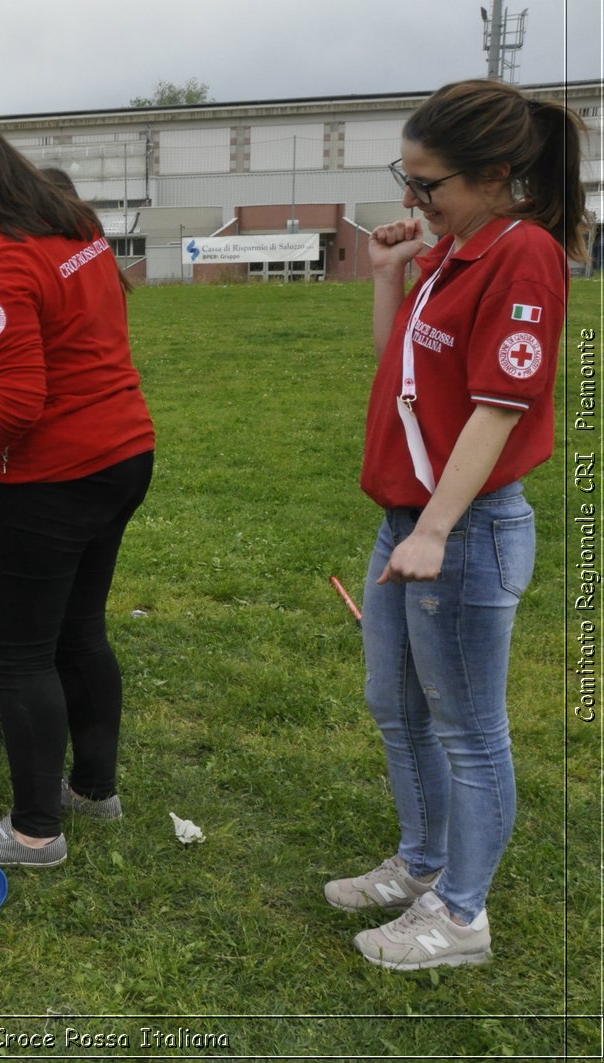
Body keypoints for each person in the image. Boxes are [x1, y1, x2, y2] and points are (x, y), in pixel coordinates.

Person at [325, 79, 582, 971]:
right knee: (396, 707)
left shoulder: (523, 256)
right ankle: (423, 862)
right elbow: (400, 374)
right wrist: (390, 278)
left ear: (497, 176)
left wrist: (434, 531)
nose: (411, 199)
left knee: (469, 728)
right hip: (410, 520)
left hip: (460, 532)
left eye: (427, 184)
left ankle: (461, 914)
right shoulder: (456, 247)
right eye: (408, 176)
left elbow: (499, 408)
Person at [0, 115, 155, 869]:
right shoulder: (70, 225)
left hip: (54, 476)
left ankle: (34, 830)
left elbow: (17, 399)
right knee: (82, 628)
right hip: (124, 451)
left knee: (23, 653)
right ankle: (94, 788)